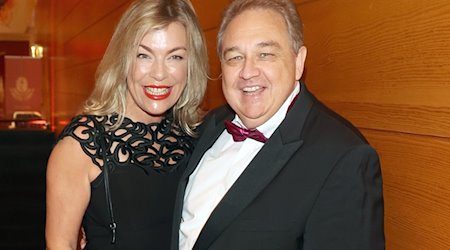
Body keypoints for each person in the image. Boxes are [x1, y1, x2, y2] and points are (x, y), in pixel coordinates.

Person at [172, 0, 385, 249]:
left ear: (298, 61)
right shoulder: (210, 125)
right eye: (235, 57)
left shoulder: (343, 158)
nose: (247, 71)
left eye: (265, 54)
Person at [45, 0, 208, 249]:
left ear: (191, 64)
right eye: (144, 55)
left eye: (175, 57)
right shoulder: (81, 146)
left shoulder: (198, 137)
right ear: (123, 59)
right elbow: (60, 244)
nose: (159, 74)